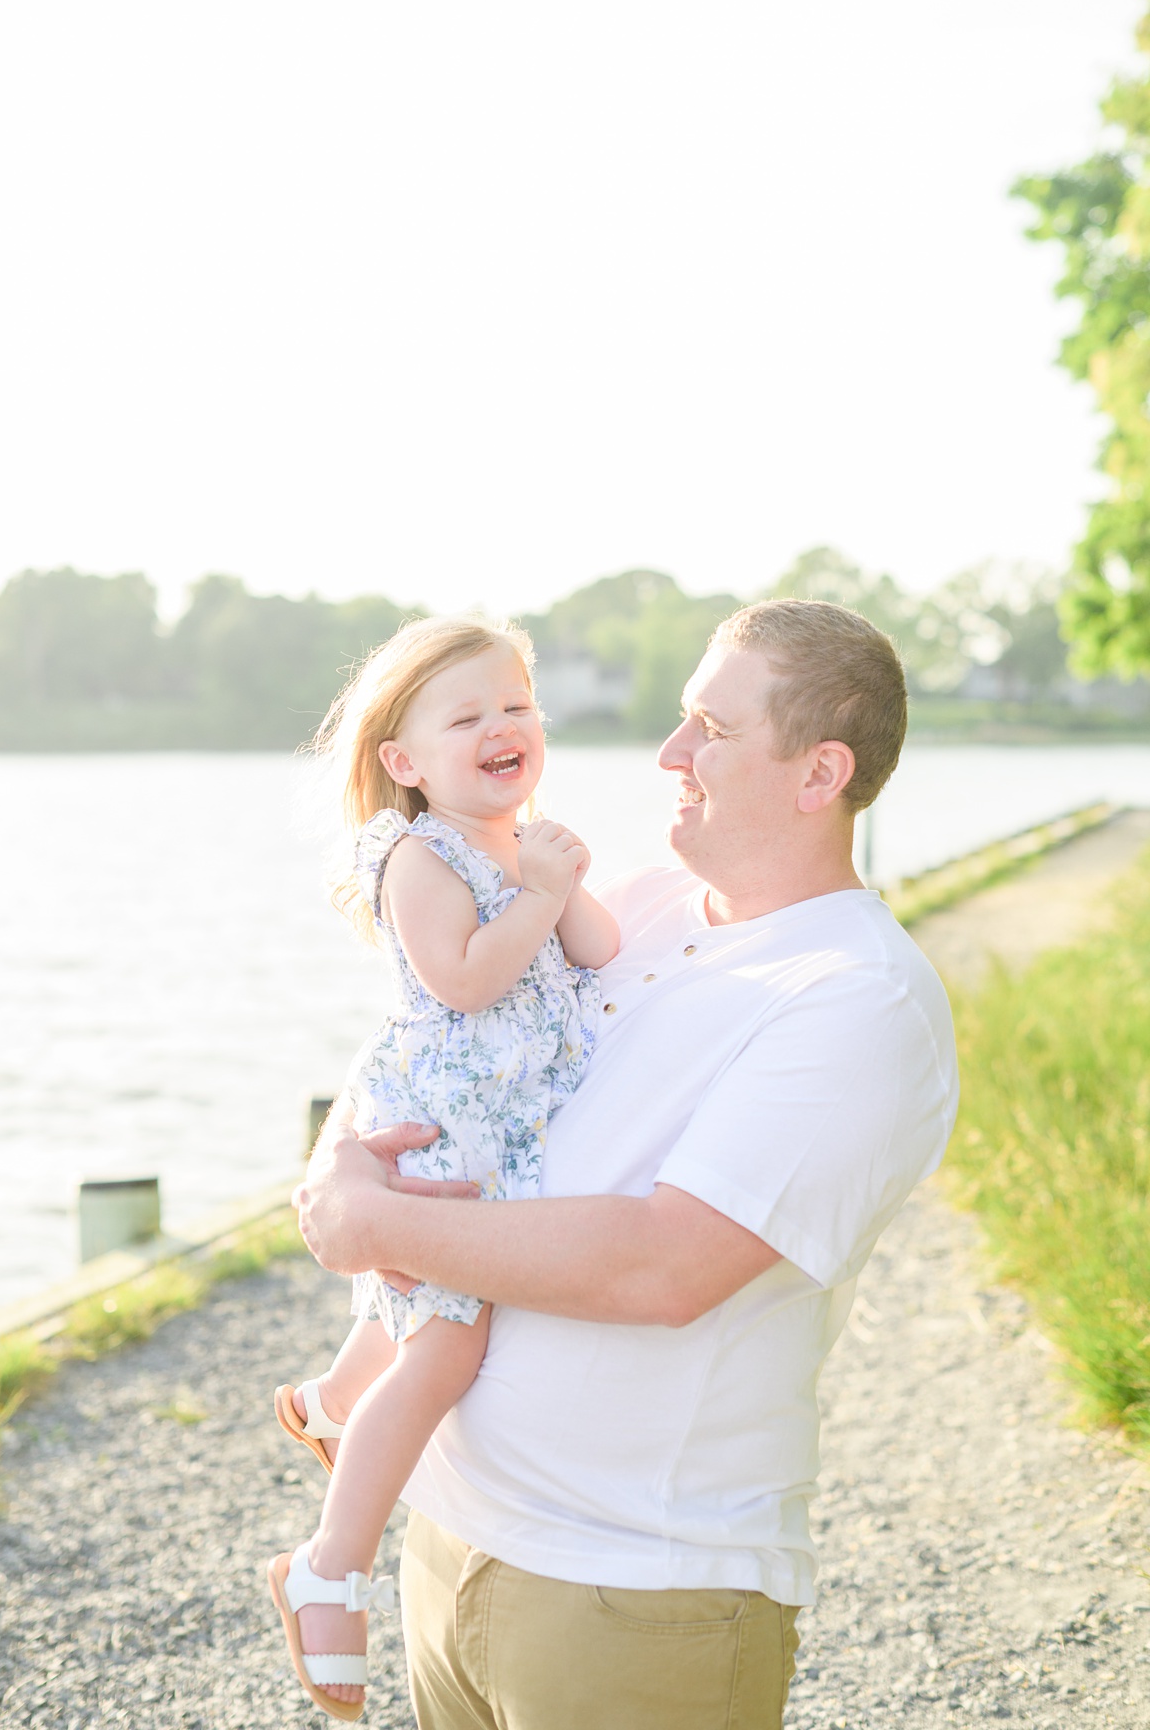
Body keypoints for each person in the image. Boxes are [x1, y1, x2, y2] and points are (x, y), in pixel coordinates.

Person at [290, 598, 956, 1730]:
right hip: (449, 1547)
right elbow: (430, 1044)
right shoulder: (638, 905)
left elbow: (666, 1265)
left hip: (636, 1594)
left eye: (712, 727)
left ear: (818, 772)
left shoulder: (856, 996)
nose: (669, 753)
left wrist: (375, 1225)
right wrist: (339, 1164)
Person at [265, 617, 616, 1719]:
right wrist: (541, 897)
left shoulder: (521, 842)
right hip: (444, 1120)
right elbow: (464, 978)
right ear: (405, 762)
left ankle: (329, 1403)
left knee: (416, 1311)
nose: (504, 725)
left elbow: (597, 954)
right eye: (467, 716)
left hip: (499, 1124)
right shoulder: (418, 856)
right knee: (448, 1342)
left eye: (518, 704)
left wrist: (562, 877)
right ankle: (328, 1562)